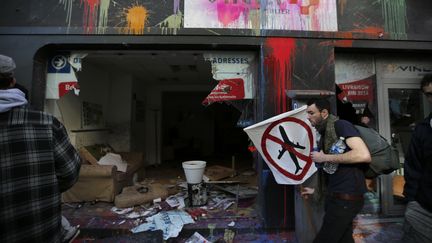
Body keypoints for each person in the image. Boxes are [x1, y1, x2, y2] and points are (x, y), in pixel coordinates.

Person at [0, 54, 81, 243]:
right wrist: (42, 191)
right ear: (12, 81)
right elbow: (70, 172)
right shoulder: (46, 123)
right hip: (39, 228)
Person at [302, 98, 371, 243]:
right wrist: (316, 191)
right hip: (337, 197)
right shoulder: (324, 133)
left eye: (311, 113)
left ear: (324, 113)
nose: (308, 117)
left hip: (346, 199)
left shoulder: (341, 125)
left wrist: (324, 157)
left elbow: (363, 155)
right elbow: (332, 172)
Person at [402, 73, 432, 243]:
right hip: (424, 211)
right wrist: (412, 202)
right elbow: (413, 167)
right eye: (429, 94)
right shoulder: (422, 130)